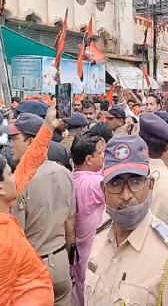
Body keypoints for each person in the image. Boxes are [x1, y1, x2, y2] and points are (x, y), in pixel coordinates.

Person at [85, 135, 168, 306]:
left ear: (150, 185)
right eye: (116, 183)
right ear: (103, 190)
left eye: (135, 182)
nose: (126, 195)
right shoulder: (99, 239)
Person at [8, 113, 75, 306]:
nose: (11, 144)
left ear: (30, 142)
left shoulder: (18, 183)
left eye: (15, 138)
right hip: (61, 261)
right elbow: (71, 225)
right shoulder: (65, 173)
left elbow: (16, 236)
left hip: (32, 270)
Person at [0, 100, 60, 306]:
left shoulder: (4, 210)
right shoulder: (3, 241)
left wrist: (48, 127)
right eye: (10, 174)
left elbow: (28, 165)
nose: (15, 177)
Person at [70, 131, 106, 306]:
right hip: (93, 252)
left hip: (76, 253)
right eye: (101, 153)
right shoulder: (94, 184)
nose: (104, 157)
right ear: (89, 159)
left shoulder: (71, 179)